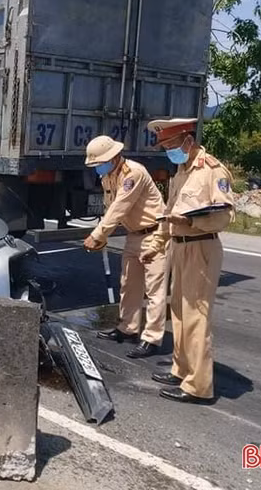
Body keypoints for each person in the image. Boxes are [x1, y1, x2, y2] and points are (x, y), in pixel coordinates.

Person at [141, 119, 234, 404]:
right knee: (179, 312)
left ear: (188, 140)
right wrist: (157, 244)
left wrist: (189, 220)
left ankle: (199, 386)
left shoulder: (212, 170)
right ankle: (181, 369)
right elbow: (169, 212)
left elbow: (224, 215)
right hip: (179, 247)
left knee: (196, 316)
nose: (169, 152)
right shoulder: (181, 170)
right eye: (166, 147)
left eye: (171, 146)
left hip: (201, 247)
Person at [83, 135, 168, 359]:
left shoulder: (134, 174)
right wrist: (103, 235)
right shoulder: (108, 177)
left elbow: (120, 207)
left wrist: (97, 235)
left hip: (155, 233)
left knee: (154, 291)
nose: (97, 168)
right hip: (134, 235)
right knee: (129, 284)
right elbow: (109, 208)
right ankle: (128, 328)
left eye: (99, 163)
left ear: (114, 157)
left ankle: (151, 338)